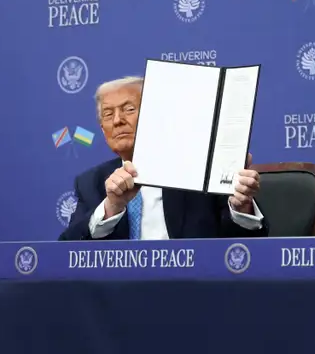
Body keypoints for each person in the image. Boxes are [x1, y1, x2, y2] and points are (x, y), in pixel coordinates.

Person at [58, 76, 268, 240]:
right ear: (103, 131)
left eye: (128, 109)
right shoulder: (92, 182)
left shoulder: (202, 170)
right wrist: (111, 207)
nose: (118, 121)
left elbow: (244, 246)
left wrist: (241, 208)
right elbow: (68, 249)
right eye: (107, 114)